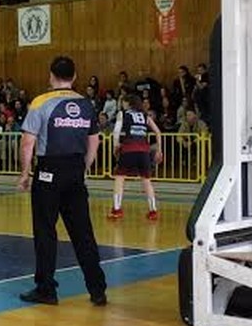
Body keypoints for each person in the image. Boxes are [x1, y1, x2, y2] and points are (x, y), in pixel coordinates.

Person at [17, 56, 107, 306]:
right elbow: (94, 140)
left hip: (49, 171)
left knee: (45, 230)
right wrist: (84, 167)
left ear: (51, 76)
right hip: (75, 169)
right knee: (83, 232)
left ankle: (46, 289)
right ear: (74, 77)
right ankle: (97, 289)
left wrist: (25, 173)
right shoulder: (86, 104)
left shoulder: (40, 102)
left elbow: (27, 142)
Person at [108, 93, 163, 221]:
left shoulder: (122, 114)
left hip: (128, 148)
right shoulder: (145, 115)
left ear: (128, 103)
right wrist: (159, 150)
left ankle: (117, 209)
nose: (122, 104)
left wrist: (115, 145)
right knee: (146, 180)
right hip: (144, 150)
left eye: (123, 102)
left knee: (120, 178)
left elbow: (116, 131)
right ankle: (153, 210)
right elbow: (158, 131)